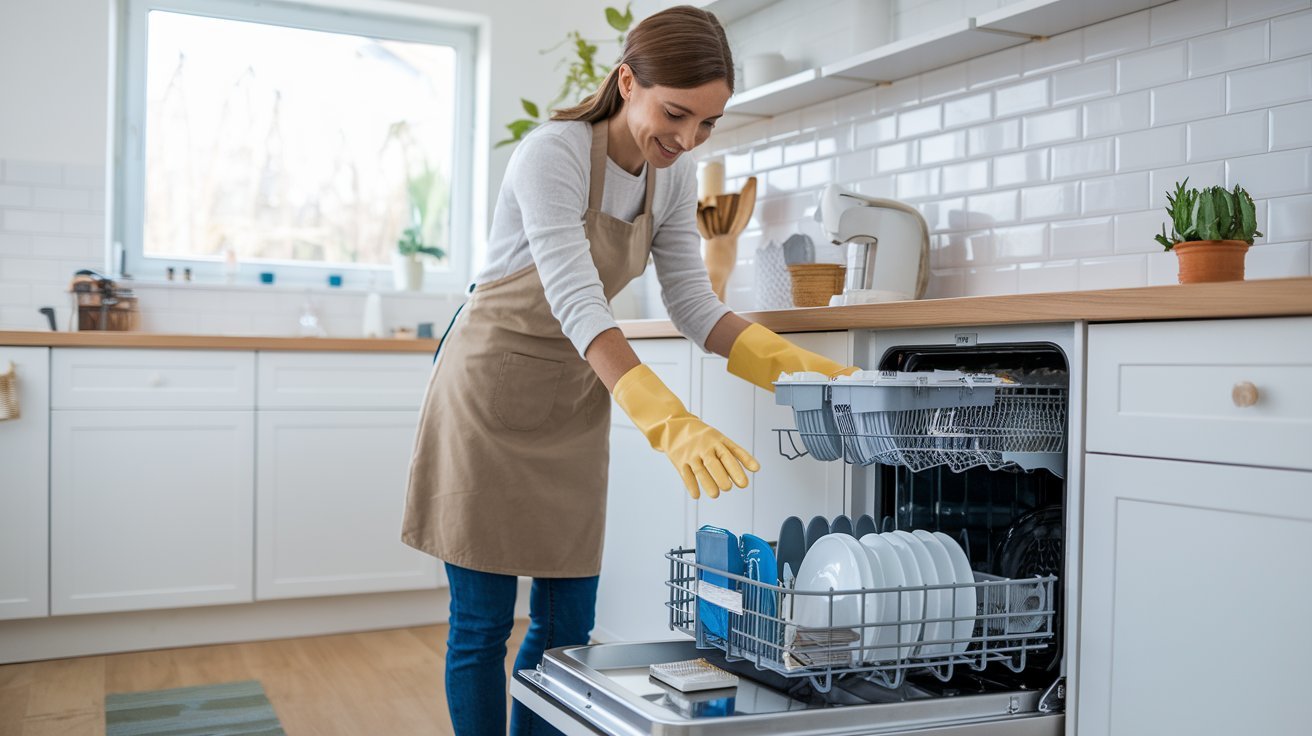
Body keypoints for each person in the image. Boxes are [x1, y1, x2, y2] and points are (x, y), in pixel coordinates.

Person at [401, 6, 855, 734]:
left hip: (575, 394)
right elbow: (579, 300)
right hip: (488, 394)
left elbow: (695, 308)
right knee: (483, 625)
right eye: (675, 114)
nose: (685, 140)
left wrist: (805, 376)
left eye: (706, 124)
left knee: (568, 630)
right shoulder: (550, 153)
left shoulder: (668, 179)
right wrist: (669, 423)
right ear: (626, 82)